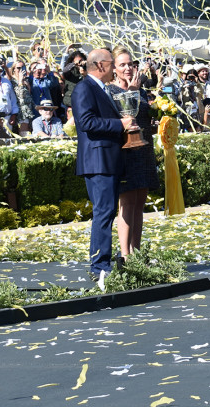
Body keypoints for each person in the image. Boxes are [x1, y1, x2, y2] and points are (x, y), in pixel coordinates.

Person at [73, 48, 135, 290]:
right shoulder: (84, 88)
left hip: (108, 159)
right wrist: (119, 124)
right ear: (100, 65)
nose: (116, 68)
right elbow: (86, 122)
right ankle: (99, 265)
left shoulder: (101, 89)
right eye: (112, 64)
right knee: (104, 212)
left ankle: (101, 263)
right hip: (97, 160)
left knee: (107, 212)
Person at [108, 47, 160, 263]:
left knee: (140, 203)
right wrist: (132, 90)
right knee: (127, 203)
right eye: (122, 64)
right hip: (126, 152)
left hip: (144, 150)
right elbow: (126, 117)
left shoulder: (139, 88)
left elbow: (142, 115)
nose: (128, 68)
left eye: (130, 64)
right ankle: (125, 255)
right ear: (114, 68)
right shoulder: (110, 91)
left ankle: (136, 253)